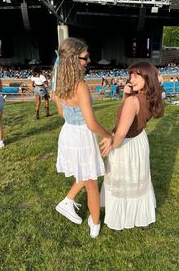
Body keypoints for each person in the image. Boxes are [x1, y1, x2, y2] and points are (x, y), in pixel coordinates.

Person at [54, 37, 112, 238]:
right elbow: (91, 124)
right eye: (84, 57)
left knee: (85, 173)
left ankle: (68, 200)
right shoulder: (80, 86)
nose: (88, 61)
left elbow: (62, 113)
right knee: (92, 183)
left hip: (68, 132)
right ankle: (95, 223)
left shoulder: (59, 83)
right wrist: (109, 136)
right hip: (81, 136)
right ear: (72, 59)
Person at [100, 61, 164, 230]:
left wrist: (111, 144)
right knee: (136, 178)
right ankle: (139, 215)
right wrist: (127, 95)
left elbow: (121, 130)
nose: (131, 79)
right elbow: (129, 115)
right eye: (131, 75)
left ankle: (121, 218)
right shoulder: (150, 97)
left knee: (123, 179)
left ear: (147, 78)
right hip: (139, 141)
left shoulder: (133, 101)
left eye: (136, 76)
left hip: (126, 144)